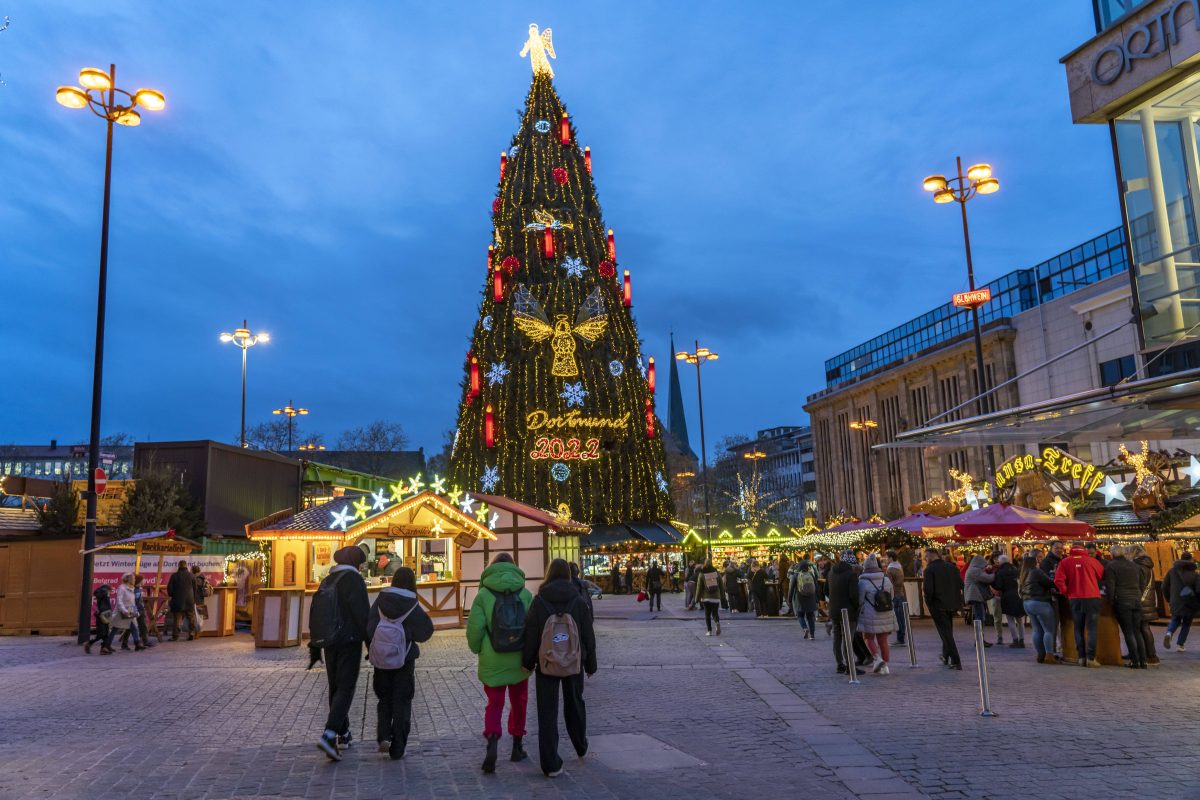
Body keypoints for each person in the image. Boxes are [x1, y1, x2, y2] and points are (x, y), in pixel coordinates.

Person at [522, 558, 597, 778]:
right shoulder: (578, 600)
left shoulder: (539, 601)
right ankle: (580, 745)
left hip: (546, 662)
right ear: (568, 575)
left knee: (547, 712)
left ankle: (550, 764)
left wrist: (527, 663)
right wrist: (590, 664)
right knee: (575, 703)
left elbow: (531, 634)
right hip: (574, 661)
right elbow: (588, 635)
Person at [468, 552, 533, 772]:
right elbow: (532, 628)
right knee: (519, 701)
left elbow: (475, 629)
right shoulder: (525, 593)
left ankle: (493, 741)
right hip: (519, 658)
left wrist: (478, 649)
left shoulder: (483, 595)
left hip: (492, 657)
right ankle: (517, 746)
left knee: (494, 703)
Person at [367, 567, 433, 760]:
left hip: (381, 659)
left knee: (384, 698)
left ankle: (384, 735)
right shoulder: (411, 604)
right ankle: (398, 747)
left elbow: (369, 626)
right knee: (402, 700)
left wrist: (376, 646)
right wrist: (408, 635)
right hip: (404, 659)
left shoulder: (381, 600)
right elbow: (426, 631)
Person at [314, 546, 371, 761]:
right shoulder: (353, 580)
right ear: (355, 562)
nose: (362, 566)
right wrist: (370, 644)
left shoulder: (328, 579)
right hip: (349, 641)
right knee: (346, 687)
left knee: (336, 686)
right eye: (361, 562)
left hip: (329, 641)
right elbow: (362, 615)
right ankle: (329, 734)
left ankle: (343, 733)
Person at [1054, 543, 1105, 667]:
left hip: (1075, 598)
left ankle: (1081, 657)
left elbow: (1058, 580)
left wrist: (1066, 592)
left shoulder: (1064, 562)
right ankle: (1091, 658)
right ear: (1084, 550)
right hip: (1092, 597)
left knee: (1078, 628)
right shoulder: (1093, 561)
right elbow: (1101, 575)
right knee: (1092, 629)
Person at [1103, 545, 1147, 669]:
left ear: (1112, 554)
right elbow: (1142, 583)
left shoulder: (1111, 566)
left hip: (1122, 601)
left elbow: (1110, 586)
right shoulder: (1135, 566)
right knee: (1137, 631)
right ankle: (1143, 661)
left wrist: (1111, 602)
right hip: (1136, 600)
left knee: (1128, 632)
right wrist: (1138, 595)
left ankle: (1135, 661)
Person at [828, 550, 870, 674]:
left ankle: (839, 664)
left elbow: (825, 590)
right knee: (848, 639)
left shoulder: (831, 572)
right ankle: (850, 666)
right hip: (848, 612)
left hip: (834, 610)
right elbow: (854, 595)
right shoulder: (851, 575)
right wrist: (856, 607)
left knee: (837, 638)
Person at [923, 549, 963, 670]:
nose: (925, 559)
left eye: (926, 556)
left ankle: (956, 660)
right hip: (952, 603)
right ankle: (946, 656)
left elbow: (928, 590)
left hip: (938, 604)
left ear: (931, 556)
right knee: (947, 630)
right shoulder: (952, 567)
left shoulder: (929, 570)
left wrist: (929, 602)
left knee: (945, 633)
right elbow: (960, 584)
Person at [857, 556, 897, 674]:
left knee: (868, 638)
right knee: (883, 640)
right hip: (885, 612)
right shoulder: (886, 580)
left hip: (869, 614)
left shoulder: (862, 582)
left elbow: (860, 600)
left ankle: (877, 658)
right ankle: (885, 666)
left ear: (865, 567)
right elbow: (892, 596)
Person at [1019, 553, 1059, 664]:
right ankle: (1049, 655)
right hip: (1040, 602)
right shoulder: (1036, 572)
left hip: (1027, 603)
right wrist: (1054, 576)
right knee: (1048, 630)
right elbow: (1050, 583)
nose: (1038, 564)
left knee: (1037, 630)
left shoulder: (1023, 574)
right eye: (1037, 562)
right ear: (1034, 563)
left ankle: (1040, 655)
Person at [1161, 552, 1199, 653]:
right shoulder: (1195, 574)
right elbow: (1199, 590)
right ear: (1191, 560)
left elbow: (1164, 586)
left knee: (1175, 619)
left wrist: (1169, 598)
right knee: (1186, 624)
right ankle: (1180, 645)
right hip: (1190, 602)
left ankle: (1169, 633)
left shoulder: (1171, 571)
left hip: (1175, 601)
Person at [1130, 545, 1160, 665]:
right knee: (1144, 627)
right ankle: (1149, 654)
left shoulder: (1139, 566)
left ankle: (1151, 655)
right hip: (1148, 600)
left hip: (1141, 601)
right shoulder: (1148, 565)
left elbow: (1140, 585)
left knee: (1142, 627)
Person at [104, 573, 144, 653]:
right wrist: (124, 611)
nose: (134, 580)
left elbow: (132, 602)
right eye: (133, 578)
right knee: (115, 628)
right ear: (128, 579)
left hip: (130, 610)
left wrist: (135, 611)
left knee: (134, 627)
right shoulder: (122, 588)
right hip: (122, 611)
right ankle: (106, 645)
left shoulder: (133, 588)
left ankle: (137, 644)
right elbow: (119, 601)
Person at [991, 554, 1025, 648]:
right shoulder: (1015, 569)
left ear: (1000, 562)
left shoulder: (1000, 572)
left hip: (1007, 596)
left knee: (1010, 619)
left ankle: (1015, 640)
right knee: (1019, 619)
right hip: (1018, 595)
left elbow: (998, 586)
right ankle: (1022, 640)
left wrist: (992, 582)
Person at [963, 555, 995, 647]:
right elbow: (988, 578)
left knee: (979, 617)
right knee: (980, 618)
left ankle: (980, 639)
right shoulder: (975, 570)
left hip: (975, 596)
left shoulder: (972, 569)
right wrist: (995, 572)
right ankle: (979, 640)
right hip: (976, 597)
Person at [120, 574, 154, 650]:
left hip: (140, 609)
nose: (144, 581)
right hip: (133, 609)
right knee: (130, 627)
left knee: (143, 625)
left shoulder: (138, 589)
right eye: (142, 580)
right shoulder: (132, 589)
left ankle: (145, 640)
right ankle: (124, 643)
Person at [166, 561, 196, 641]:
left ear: (179, 566)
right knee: (191, 617)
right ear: (186, 566)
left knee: (177, 619)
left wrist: (172, 595)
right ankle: (192, 633)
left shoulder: (174, 576)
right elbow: (195, 589)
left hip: (177, 600)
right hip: (189, 600)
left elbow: (169, 589)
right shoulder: (192, 576)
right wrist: (193, 599)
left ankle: (175, 636)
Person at [791, 557, 820, 640]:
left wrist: (789, 599)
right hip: (811, 598)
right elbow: (816, 587)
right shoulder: (811, 575)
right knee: (810, 617)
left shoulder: (796, 575)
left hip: (800, 599)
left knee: (800, 615)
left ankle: (805, 628)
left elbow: (791, 588)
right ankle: (812, 635)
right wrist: (817, 599)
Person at [695, 558, 725, 636]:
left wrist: (696, 599)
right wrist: (722, 596)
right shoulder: (716, 572)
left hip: (706, 597)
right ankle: (717, 622)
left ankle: (709, 631)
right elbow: (721, 585)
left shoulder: (702, 574)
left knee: (707, 614)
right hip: (716, 597)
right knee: (715, 613)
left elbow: (699, 587)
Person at [883, 551, 907, 645]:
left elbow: (890, 584)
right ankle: (901, 638)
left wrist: (889, 596)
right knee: (901, 617)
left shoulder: (890, 569)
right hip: (901, 594)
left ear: (891, 558)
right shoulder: (899, 567)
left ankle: (900, 639)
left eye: (887, 557)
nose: (886, 559)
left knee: (897, 618)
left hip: (895, 595)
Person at [84, 584, 113, 654]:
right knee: (102, 634)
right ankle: (91, 644)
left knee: (105, 633)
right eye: (110, 591)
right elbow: (105, 605)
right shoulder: (104, 593)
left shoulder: (101, 594)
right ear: (107, 590)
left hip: (104, 614)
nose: (110, 593)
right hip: (102, 615)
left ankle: (104, 648)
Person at [191, 564, 210, 634]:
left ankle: (196, 632)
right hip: (200, 600)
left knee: (196, 616)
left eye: (191, 570)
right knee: (199, 616)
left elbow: (194, 590)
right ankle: (197, 632)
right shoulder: (202, 578)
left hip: (196, 600)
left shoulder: (197, 579)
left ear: (194, 571)